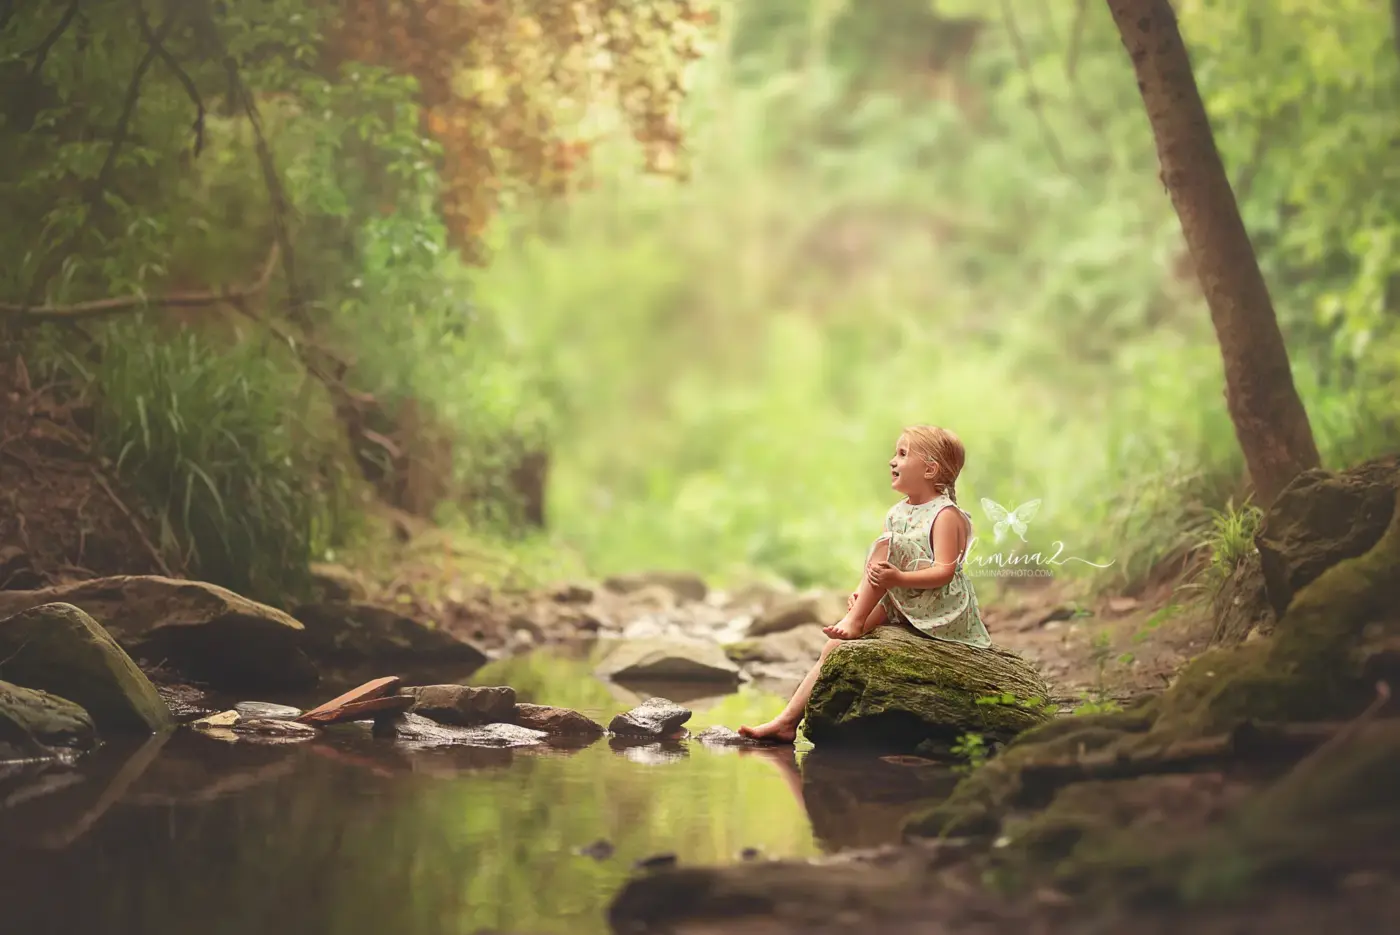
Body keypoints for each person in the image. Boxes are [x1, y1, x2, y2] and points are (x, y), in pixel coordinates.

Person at [738, 425, 991, 743]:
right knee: (834, 646)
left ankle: (856, 621)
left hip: (938, 604)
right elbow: (880, 555)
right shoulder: (898, 513)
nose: (892, 461)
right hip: (903, 597)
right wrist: (864, 590)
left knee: (888, 549)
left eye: (902, 454)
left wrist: (897, 579)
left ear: (930, 469)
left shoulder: (946, 516)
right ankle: (787, 721)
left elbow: (944, 572)